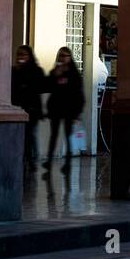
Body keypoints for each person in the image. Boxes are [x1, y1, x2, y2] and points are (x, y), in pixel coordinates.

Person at [43, 47, 85, 175]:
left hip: (69, 109)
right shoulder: (55, 71)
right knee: (53, 136)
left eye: (66, 56)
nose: (63, 58)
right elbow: (47, 86)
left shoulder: (74, 74)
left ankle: (67, 163)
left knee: (68, 136)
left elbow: (79, 93)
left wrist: (77, 112)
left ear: (70, 57)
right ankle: (49, 162)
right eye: (61, 56)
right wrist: (54, 75)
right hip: (56, 109)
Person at [11, 45, 46, 163]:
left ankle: (32, 158)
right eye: (19, 54)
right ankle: (24, 158)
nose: (21, 57)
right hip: (17, 108)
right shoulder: (14, 71)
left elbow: (40, 87)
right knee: (21, 135)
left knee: (30, 134)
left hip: (32, 109)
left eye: (23, 55)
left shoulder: (36, 70)